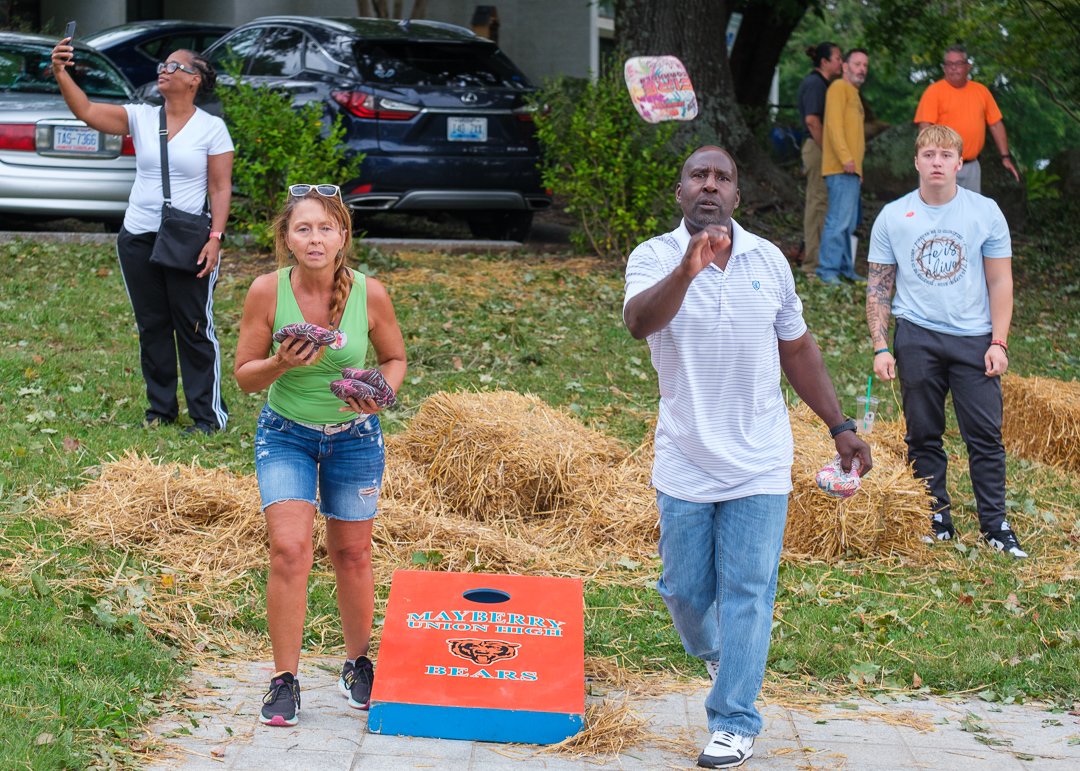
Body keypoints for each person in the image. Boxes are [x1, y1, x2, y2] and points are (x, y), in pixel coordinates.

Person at [624, 146, 873, 769]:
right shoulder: (653, 257)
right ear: (679, 191)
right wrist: (687, 269)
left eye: (723, 177)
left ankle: (734, 717)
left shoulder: (768, 261)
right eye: (698, 177)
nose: (710, 186)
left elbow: (797, 349)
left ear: (738, 193)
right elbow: (638, 323)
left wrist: (840, 425)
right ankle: (719, 650)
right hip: (684, 454)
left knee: (749, 592)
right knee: (683, 590)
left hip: (761, 458)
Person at [234, 185, 407, 726]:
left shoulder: (370, 294)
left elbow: (396, 358)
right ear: (286, 238)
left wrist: (379, 395)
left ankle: (358, 663)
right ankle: (284, 679)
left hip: (355, 437)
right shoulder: (266, 291)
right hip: (285, 433)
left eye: (325, 228)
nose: (314, 238)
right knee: (290, 548)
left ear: (343, 237)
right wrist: (281, 364)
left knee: (352, 554)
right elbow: (242, 377)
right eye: (303, 228)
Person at [51, 37, 232, 433]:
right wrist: (62, 72)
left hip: (188, 239)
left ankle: (208, 416)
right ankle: (160, 411)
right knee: (152, 325)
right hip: (138, 237)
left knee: (194, 326)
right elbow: (85, 110)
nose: (164, 71)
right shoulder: (142, 117)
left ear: (195, 80)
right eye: (162, 66)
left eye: (175, 66)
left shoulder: (212, 129)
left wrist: (215, 237)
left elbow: (220, 188)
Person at [865, 125, 1025, 559]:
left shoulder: (985, 211)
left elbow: (1000, 279)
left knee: (985, 436)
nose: (937, 162)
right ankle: (937, 518)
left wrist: (999, 341)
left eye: (946, 155)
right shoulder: (893, 216)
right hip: (916, 336)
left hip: (974, 338)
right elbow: (879, 287)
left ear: (959, 163)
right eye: (929, 154)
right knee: (922, 433)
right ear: (917, 162)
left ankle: (996, 525)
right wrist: (882, 346)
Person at [914, 45, 1020, 193]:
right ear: (944, 68)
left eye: (958, 64)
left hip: (971, 166)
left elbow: (995, 124)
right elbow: (925, 128)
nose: (953, 68)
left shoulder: (981, 91)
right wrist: (927, 161)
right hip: (941, 166)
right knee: (939, 212)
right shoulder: (933, 92)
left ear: (968, 66)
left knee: (970, 213)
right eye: (949, 64)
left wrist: (1005, 157)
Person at [819, 48, 870, 286]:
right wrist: (845, 158)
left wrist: (857, 168)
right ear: (845, 67)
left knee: (848, 223)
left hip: (852, 170)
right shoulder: (838, 88)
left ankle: (845, 269)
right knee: (838, 221)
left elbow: (855, 135)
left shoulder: (854, 93)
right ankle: (827, 270)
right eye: (857, 64)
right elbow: (834, 126)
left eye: (865, 65)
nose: (862, 69)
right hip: (840, 167)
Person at [796, 42, 843, 277]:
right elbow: (813, 121)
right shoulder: (815, 84)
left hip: (820, 148)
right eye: (837, 58)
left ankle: (821, 261)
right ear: (824, 62)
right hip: (817, 148)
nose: (841, 62)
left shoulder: (826, 85)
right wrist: (829, 152)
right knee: (817, 204)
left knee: (823, 204)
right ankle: (811, 266)